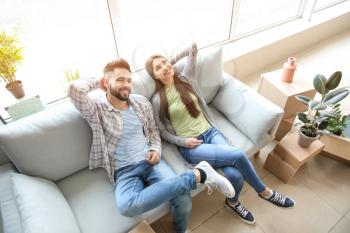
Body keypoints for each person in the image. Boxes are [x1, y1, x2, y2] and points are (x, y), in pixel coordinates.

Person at [68, 58, 235, 233]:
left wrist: (156, 148)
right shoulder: (96, 109)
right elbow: (74, 90)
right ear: (106, 82)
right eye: (120, 80)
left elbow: (154, 131)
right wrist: (99, 82)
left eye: (128, 80)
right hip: (124, 171)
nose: (126, 85)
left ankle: (181, 230)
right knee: (126, 206)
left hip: (151, 161)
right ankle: (199, 175)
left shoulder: (140, 102)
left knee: (183, 199)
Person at [145, 43, 296, 225]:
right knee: (239, 154)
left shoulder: (186, 78)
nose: (164, 68)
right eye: (158, 68)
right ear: (154, 75)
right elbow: (161, 131)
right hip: (192, 146)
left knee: (235, 176)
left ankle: (233, 203)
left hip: (211, 132)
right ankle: (265, 192)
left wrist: (169, 62)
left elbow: (192, 48)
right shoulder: (156, 100)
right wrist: (183, 142)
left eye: (164, 63)